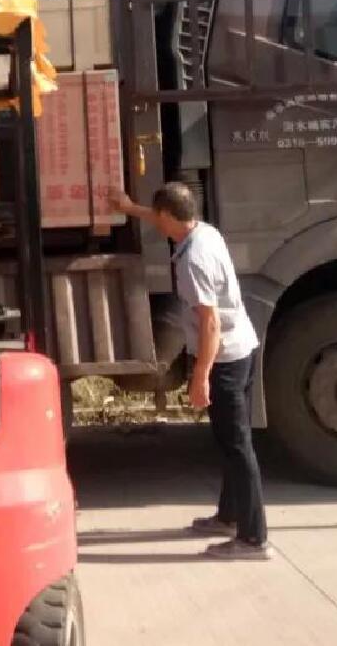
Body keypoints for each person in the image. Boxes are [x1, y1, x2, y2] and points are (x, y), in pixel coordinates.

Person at [113, 182, 270, 560]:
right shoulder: (204, 232)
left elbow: (210, 323)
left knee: (237, 447)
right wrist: (131, 208)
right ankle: (229, 517)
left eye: (158, 216)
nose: (158, 222)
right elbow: (161, 218)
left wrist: (201, 377)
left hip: (225, 358)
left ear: (168, 216)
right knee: (233, 443)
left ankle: (253, 539)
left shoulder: (192, 261)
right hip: (243, 348)